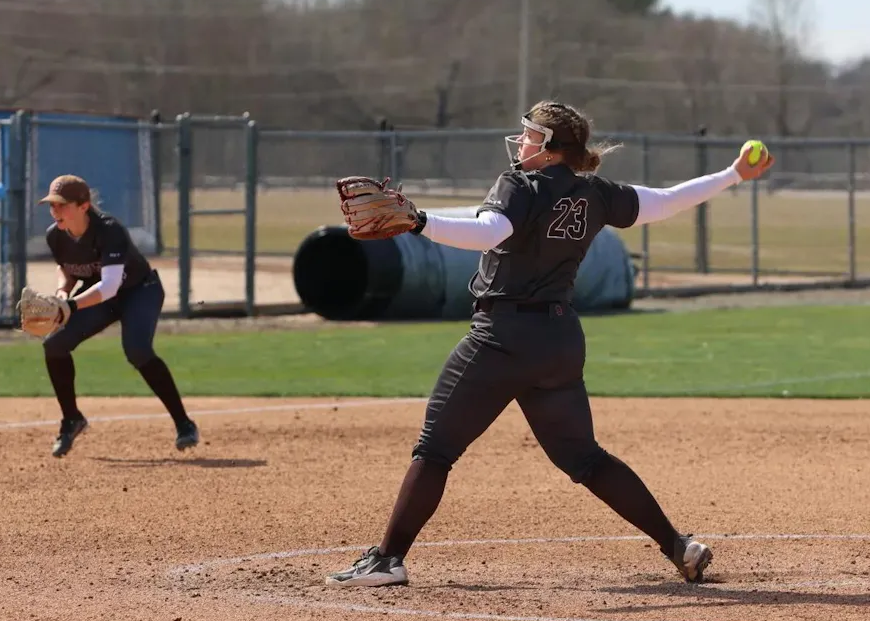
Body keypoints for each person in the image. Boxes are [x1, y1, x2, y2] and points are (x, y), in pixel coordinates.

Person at [324, 101, 774, 587]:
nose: (521, 143)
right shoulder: (596, 193)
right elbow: (665, 201)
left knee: (435, 449)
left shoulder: (518, 184)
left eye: (531, 136)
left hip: (501, 338)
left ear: (553, 148)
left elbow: (491, 232)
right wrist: (733, 174)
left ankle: (388, 560)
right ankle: (677, 545)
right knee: (584, 458)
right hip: (558, 340)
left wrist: (421, 222)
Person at [37, 174, 199, 457]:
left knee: (137, 350)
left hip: (140, 291)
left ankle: (184, 424)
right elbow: (66, 268)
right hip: (100, 296)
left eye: (62, 205)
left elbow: (110, 286)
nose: (55, 211)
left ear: (84, 205)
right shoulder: (55, 235)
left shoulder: (109, 230)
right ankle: (71, 419)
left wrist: (71, 306)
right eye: (52, 205)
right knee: (54, 345)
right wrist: (63, 293)